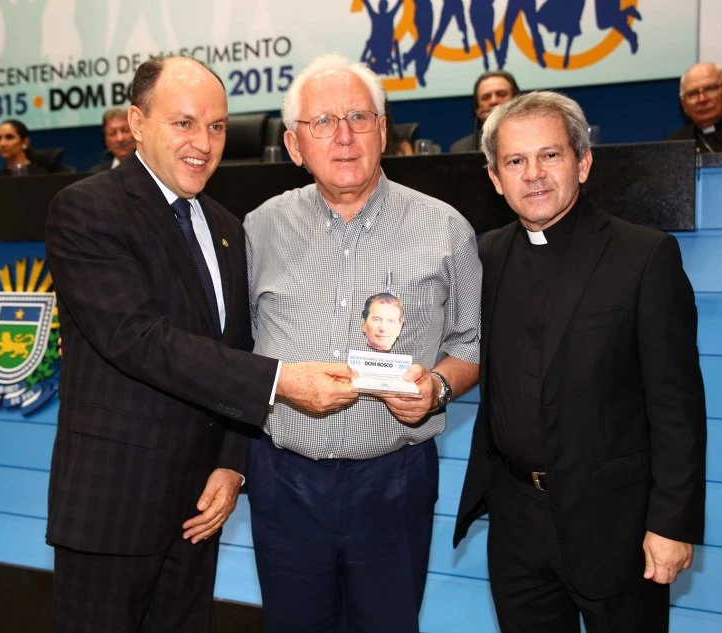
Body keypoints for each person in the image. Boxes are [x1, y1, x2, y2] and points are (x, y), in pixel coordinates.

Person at [44, 55, 357, 633]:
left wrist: (231, 463)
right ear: (137, 123)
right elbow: (138, 340)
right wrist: (282, 381)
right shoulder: (87, 209)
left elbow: (235, 345)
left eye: (216, 127)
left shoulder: (227, 227)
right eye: (183, 123)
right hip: (113, 504)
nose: (204, 143)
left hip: (199, 508)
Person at [244, 53, 482, 633]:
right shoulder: (258, 229)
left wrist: (437, 388)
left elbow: (470, 343)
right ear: (294, 145)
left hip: (394, 482)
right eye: (323, 122)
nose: (344, 136)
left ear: (383, 129)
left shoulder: (446, 227)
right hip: (284, 482)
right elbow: (236, 351)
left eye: (359, 117)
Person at [455, 91, 707, 632]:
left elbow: (677, 404)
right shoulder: (485, 256)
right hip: (516, 523)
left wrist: (672, 522)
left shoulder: (644, 256)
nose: (534, 175)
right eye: (515, 161)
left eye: (550, 155)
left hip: (618, 526)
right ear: (495, 178)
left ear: (583, 162)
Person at [450, 71, 520, 153]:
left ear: (518, 101)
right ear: (477, 109)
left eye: (501, 94)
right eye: (486, 97)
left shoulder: (532, 138)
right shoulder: (460, 149)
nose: (494, 101)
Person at [87, 107, 136, 173]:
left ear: (136, 133)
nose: (120, 139)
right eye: (112, 133)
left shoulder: (149, 168)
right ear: (106, 140)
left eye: (125, 130)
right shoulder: (95, 174)